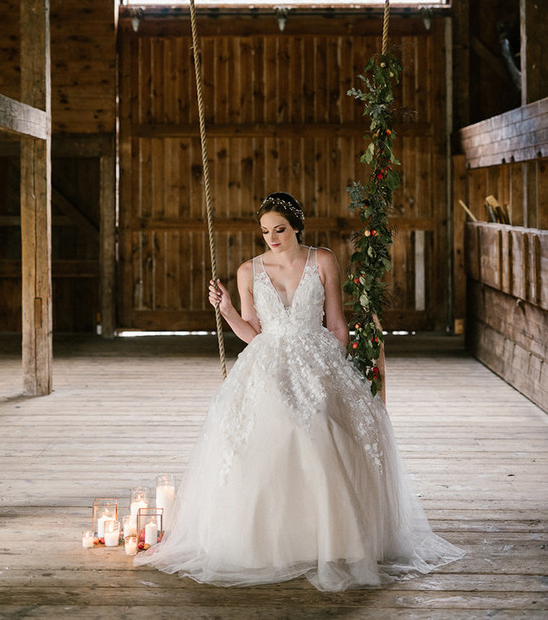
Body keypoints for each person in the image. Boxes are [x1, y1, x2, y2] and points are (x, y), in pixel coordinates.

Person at [135, 192, 464, 591]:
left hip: (318, 354)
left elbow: (338, 324)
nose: (272, 238)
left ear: (296, 227)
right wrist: (226, 311)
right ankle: (274, 541)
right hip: (268, 358)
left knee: (324, 418)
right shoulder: (247, 271)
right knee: (275, 416)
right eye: (265, 232)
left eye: (280, 229)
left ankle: (333, 538)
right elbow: (252, 334)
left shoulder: (322, 260)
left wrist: (339, 371)